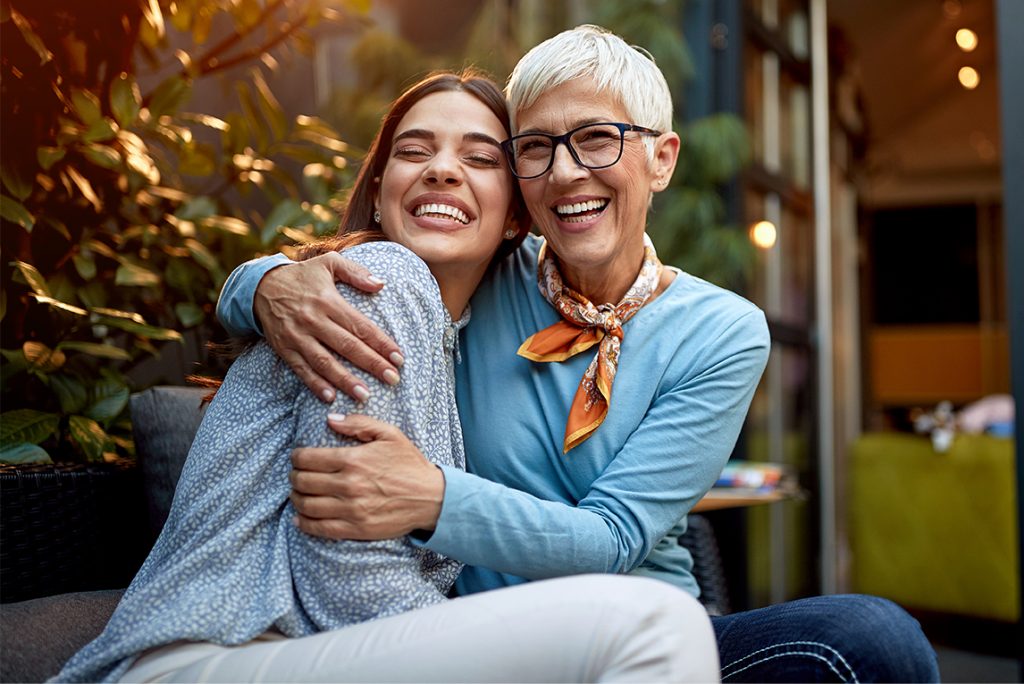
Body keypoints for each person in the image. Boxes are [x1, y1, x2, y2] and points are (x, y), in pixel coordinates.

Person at [219, 26, 940, 683]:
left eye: (597, 138)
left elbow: (615, 537)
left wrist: (432, 497)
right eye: (535, 148)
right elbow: (363, 269)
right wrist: (262, 285)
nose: (565, 173)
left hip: (651, 637)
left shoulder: (723, 331)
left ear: (661, 159)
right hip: (482, 641)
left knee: (870, 639)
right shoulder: (480, 274)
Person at [57, 69, 718, 683]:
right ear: (377, 188)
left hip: (303, 650)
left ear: (518, 213)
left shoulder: (454, 330)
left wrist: (253, 282)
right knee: (657, 625)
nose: (441, 171)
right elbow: (345, 575)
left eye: (482, 159)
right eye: (413, 151)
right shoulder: (384, 282)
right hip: (215, 656)